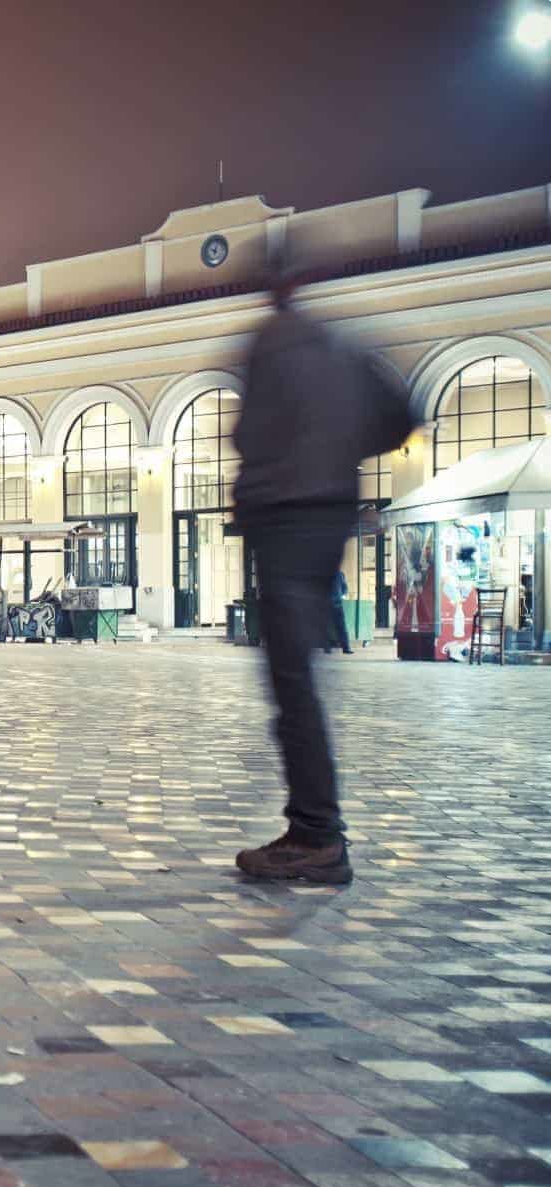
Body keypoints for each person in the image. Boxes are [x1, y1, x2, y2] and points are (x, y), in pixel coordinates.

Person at [231, 263, 412, 886]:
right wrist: (339, 452)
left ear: (274, 286)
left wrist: (265, 483)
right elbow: (400, 416)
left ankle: (315, 835)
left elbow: (249, 432)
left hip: (286, 517)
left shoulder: (271, 344)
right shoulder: (342, 345)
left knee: (292, 682)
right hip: (328, 515)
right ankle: (313, 829)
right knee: (299, 676)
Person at [325, 570, 354, 655]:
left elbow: (345, 587)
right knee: (326, 626)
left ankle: (346, 648)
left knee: (341, 627)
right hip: (327, 604)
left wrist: (342, 595)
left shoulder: (340, 574)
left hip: (337, 604)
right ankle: (327, 648)